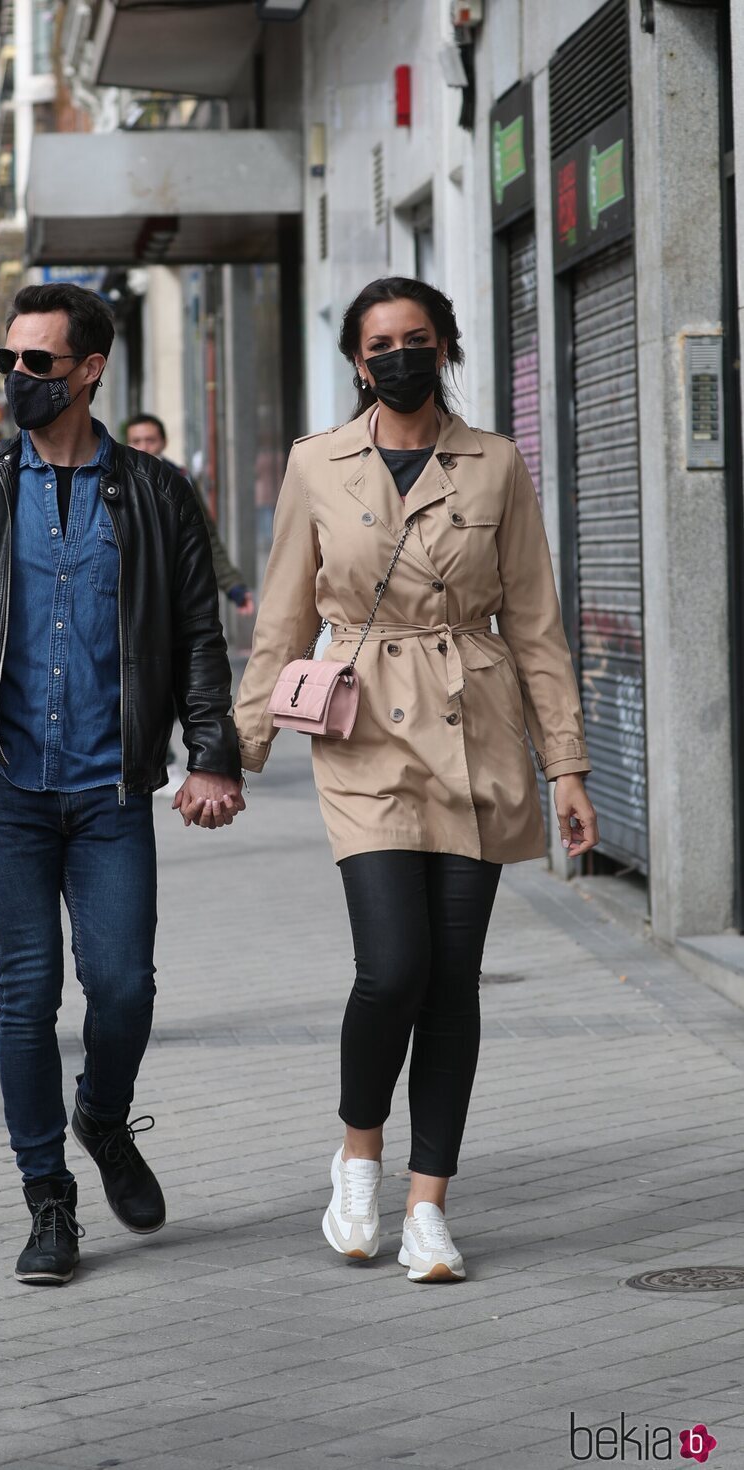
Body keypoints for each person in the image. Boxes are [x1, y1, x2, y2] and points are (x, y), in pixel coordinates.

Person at [232, 276, 598, 1285]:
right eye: (379, 342)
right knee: (391, 966)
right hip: (359, 731)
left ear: (443, 347)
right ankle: (357, 1157)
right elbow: (280, 620)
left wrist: (564, 764)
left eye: (416, 338)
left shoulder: (494, 465)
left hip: (472, 729)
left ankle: (428, 1206)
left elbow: (533, 626)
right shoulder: (316, 464)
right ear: (357, 360)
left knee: (451, 978)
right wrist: (237, 748)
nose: (398, 355)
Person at [0, 282, 245, 1286]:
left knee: (124, 986)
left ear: (89, 370)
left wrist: (211, 752)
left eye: (37, 364)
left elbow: (194, 639)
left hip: (107, 790)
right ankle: (48, 1199)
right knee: (26, 996)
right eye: (9, 361)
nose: (17, 378)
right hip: (0, 789)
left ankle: (100, 1114)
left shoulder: (153, 491)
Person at [125, 413, 256, 615]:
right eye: (136, 441)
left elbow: (205, 536)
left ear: (163, 443)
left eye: (150, 440)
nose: (143, 447)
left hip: (176, 590)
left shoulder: (180, 481)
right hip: (129, 593)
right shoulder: (114, 481)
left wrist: (233, 586)